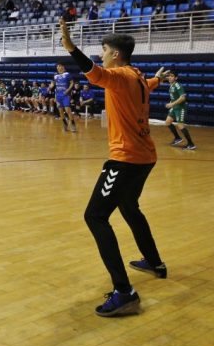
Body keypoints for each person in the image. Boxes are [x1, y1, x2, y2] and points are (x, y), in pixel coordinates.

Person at [58, 17, 168, 317]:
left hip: (126, 159)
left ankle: (124, 292)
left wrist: (70, 47)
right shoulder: (138, 77)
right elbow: (148, 86)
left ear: (116, 54)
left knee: (94, 216)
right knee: (130, 207)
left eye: (104, 49)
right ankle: (155, 262)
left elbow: (93, 73)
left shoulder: (119, 76)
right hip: (146, 157)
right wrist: (158, 78)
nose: (101, 54)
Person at [163, 71, 196, 150]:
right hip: (174, 108)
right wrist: (164, 75)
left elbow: (183, 98)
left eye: (172, 76)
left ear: (176, 78)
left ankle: (191, 144)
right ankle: (177, 138)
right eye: (169, 76)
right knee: (167, 122)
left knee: (180, 125)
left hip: (180, 108)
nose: (170, 77)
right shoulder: (171, 85)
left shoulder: (178, 86)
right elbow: (162, 78)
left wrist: (172, 104)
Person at [54, 62, 78, 133]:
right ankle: (65, 124)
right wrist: (55, 96)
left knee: (68, 110)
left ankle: (73, 124)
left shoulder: (67, 74)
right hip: (58, 96)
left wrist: (68, 90)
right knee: (61, 112)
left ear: (63, 67)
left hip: (65, 95)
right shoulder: (56, 76)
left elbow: (72, 83)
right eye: (57, 66)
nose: (58, 67)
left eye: (59, 66)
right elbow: (56, 86)